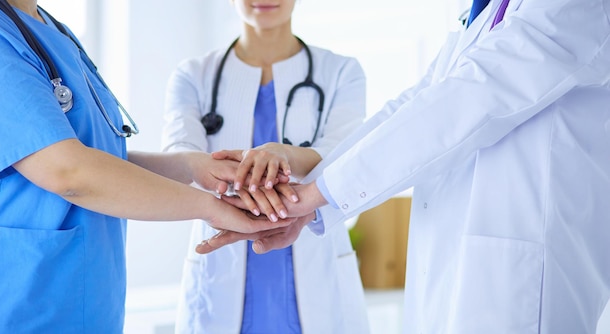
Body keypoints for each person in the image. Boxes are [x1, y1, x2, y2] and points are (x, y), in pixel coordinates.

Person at [199, 0, 610, 333]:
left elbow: (466, 100)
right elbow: (416, 103)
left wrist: (315, 196)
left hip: (518, 277)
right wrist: (316, 199)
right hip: (453, 274)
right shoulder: (482, 11)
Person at [0, 1, 295, 333]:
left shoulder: (50, 28)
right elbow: (68, 171)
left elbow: (99, 158)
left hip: (86, 303)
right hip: (25, 302)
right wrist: (211, 208)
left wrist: (189, 166)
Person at [161, 0, 370, 333]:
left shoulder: (342, 71)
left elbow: (344, 154)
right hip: (221, 274)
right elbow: (180, 157)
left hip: (315, 266)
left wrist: (280, 154)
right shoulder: (193, 75)